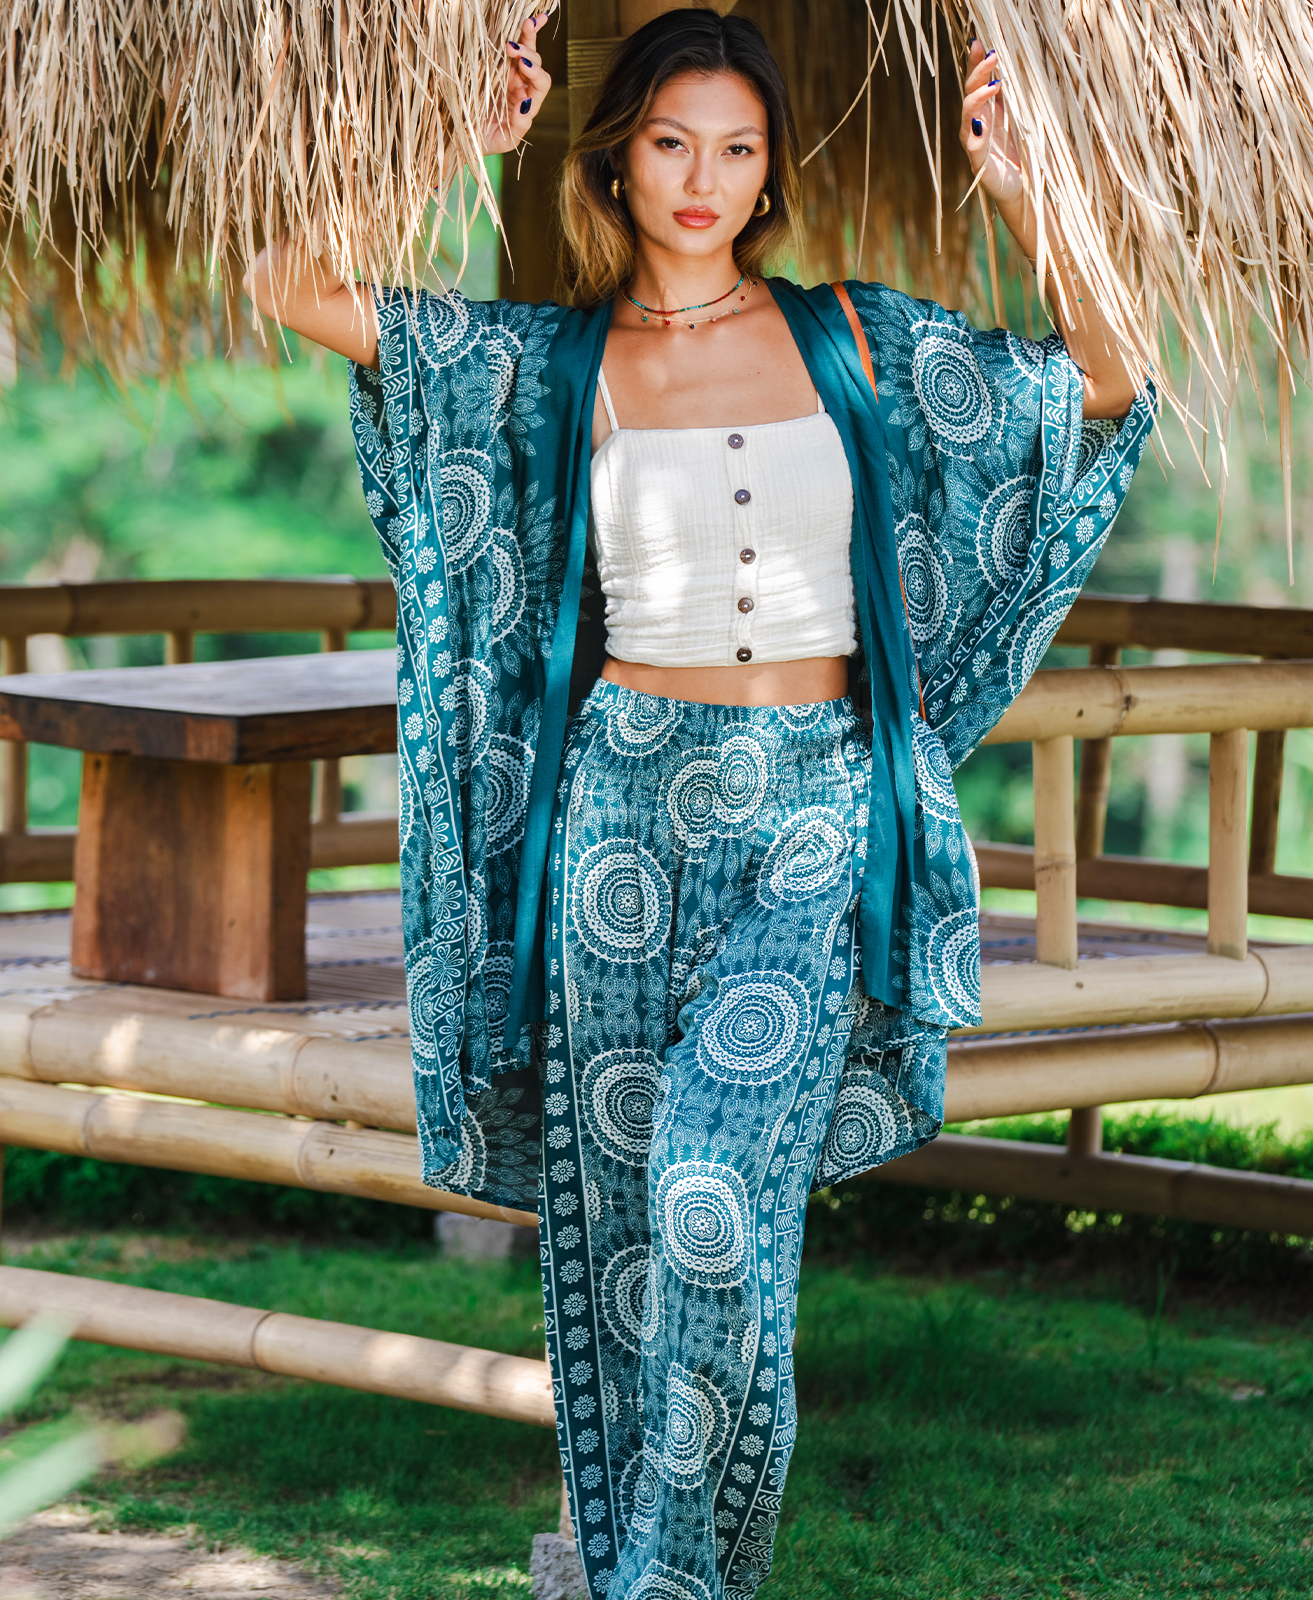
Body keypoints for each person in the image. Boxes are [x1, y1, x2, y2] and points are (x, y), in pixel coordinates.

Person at [245, 10, 1152, 1597]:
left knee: (715, 1206)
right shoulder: (556, 360)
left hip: (816, 815)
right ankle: (655, 1580)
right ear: (619, 156)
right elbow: (292, 287)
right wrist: (460, 133)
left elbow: (1102, 377)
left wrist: (1030, 194)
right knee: (624, 1251)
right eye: (672, 142)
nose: (703, 180)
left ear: (769, 170)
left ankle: (663, 1582)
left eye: (737, 148)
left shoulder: (857, 341)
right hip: (624, 822)